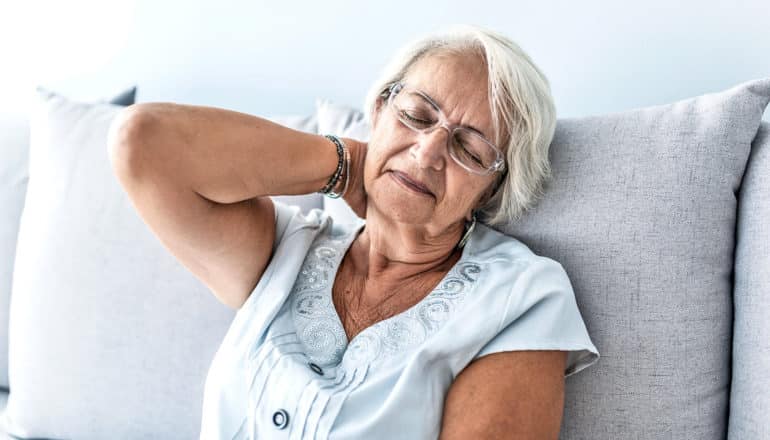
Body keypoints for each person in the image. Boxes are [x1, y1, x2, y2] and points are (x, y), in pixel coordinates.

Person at [108, 23, 599, 440]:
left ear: (493, 190)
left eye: (469, 150)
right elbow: (143, 142)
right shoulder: (283, 250)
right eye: (416, 116)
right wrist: (348, 163)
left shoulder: (520, 296)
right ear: (380, 109)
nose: (427, 153)